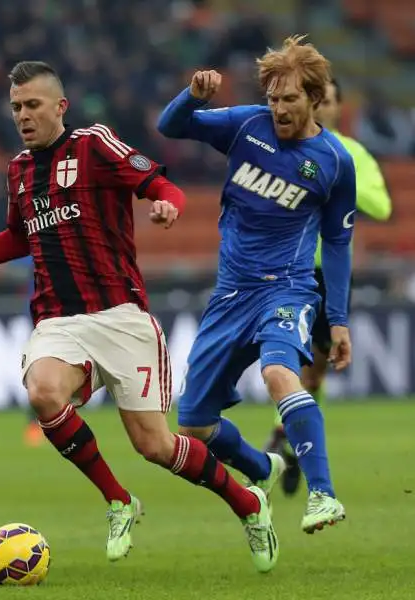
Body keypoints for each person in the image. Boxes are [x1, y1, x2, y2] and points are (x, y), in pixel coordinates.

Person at [0, 61, 279, 572]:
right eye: (16, 107)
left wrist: (168, 204)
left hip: (121, 316)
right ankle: (119, 500)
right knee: (43, 392)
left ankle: (247, 503)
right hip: (58, 320)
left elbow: (159, 184)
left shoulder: (94, 145)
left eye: (32, 105)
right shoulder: (19, 170)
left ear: (60, 106)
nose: (23, 116)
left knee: (155, 445)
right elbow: (18, 237)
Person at [157, 35, 354, 534]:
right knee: (194, 424)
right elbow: (170, 126)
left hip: (286, 289)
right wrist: (193, 97)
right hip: (230, 295)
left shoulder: (334, 161)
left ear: (314, 98)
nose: (279, 109)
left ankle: (323, 494)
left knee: (278, 373)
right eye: (273, 98)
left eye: (290, 99)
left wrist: (338, 320)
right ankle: (264, 468)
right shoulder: (247, 124)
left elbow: (336, 242)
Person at [263, 78, 393, 495]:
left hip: (329, 273)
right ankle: (287, 434)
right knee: (289, 359)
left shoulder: (351, 153)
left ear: (336, 107)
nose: (323, 108)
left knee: (315, 370)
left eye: (330, 101)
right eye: (318, 101)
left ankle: (289, 439)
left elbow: (381, 206)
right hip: (287, 269)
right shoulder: (285, 148)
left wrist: (339, 179)